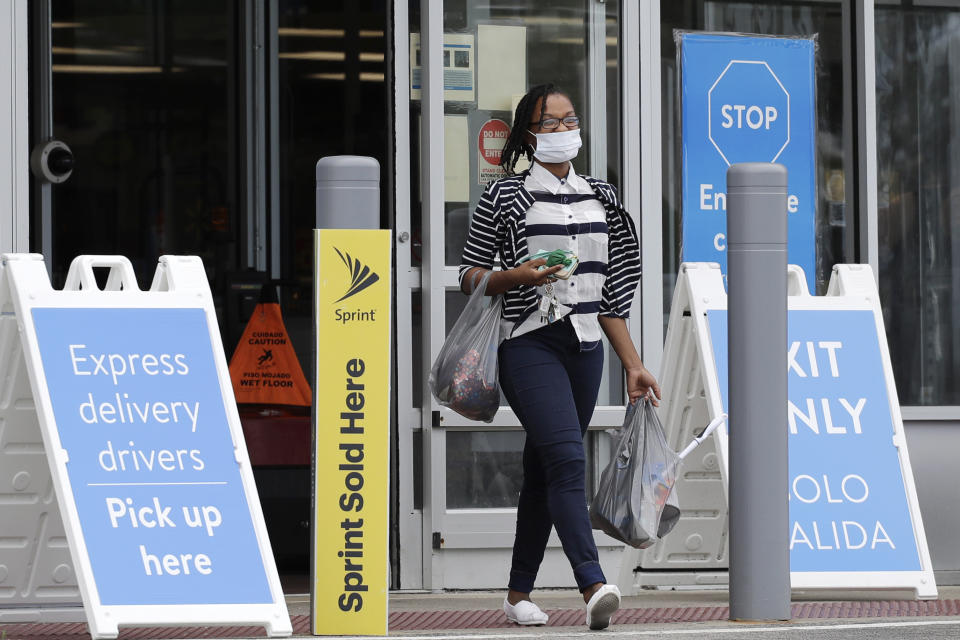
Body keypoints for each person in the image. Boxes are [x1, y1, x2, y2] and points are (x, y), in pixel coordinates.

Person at [459, 83, 662, 631]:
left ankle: (517, 594)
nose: (563, 130)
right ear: (530, 134)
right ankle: (593, 583)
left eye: (570, 119)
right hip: (527, 341)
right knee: (569, 460)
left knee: (543, 470)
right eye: (550, 123)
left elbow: (612, 291)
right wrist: (515, 276)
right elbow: (468, 273)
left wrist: (633, 364)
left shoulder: (603, 196)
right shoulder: (506, 196)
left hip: (587, 347)